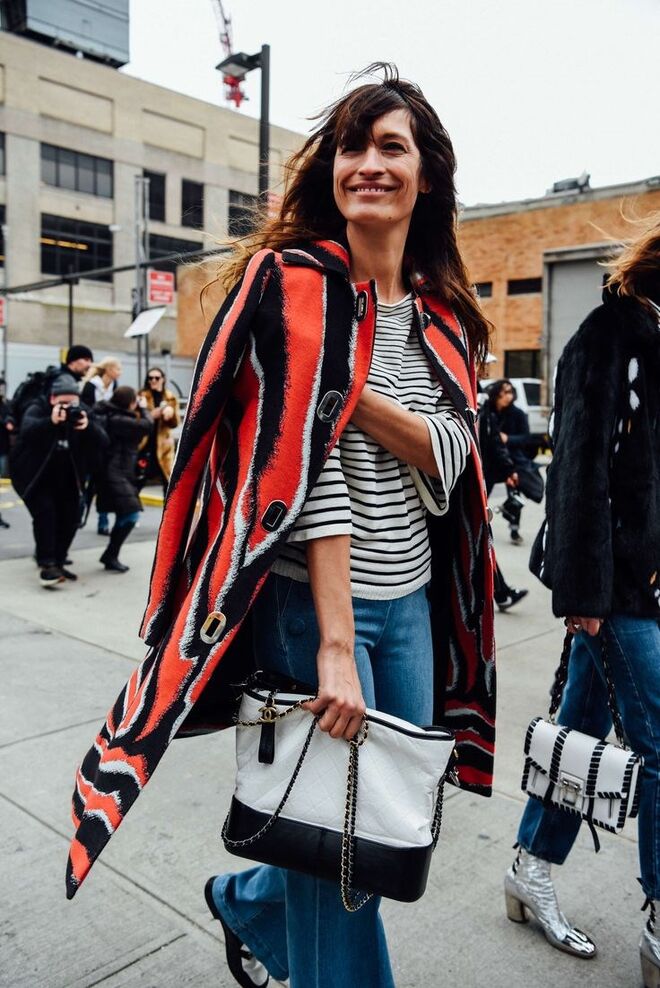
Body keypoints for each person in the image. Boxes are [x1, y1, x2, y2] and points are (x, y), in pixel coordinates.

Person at [67, 65, 496, 988]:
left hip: (413, 607)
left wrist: (345, 400)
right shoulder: (290, 288)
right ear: (331, 169)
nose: (369, 164)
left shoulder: (450, 322)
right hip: (314, 610)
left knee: (374, 834)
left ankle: (247, 900)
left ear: (427, 176)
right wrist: (335, 645)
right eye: (353, 146)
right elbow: (301, 475)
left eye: (392, 147)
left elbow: (455, 457)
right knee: (340, 872)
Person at [504, 214, 660, 986]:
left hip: (649, 583)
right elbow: (576, 472)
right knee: (659, 743)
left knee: (583, 730)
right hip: (616, 584)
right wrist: (584, 592)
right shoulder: (611, 334)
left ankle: (528, 868)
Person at [10, 374, 107, 586]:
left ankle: (59, 561)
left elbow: (103, 439)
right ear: (53, 399)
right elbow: (26, 431)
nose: (68, 407)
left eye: (72, 402)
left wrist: (87, 426)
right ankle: (47, 565)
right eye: (63, 403)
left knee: (70, 520)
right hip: (38, 478)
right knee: (46, 517)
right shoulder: (38, 408)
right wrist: (50, 422)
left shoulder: (82, 412)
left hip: (70, 479)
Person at [478, 385, 528, 611]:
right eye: (504, 392)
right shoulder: (482, 403)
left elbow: (498, 444)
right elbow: (494, 444)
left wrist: (507, 470)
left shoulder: (496, 410)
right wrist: (508, 469)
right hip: (471, 481)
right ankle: (501, 592)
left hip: (481, 480)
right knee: (479, 540)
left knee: (480, 539)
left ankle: (501, 592)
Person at [93, 386, 152, 573]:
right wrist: (144, 408)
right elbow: (147, 425)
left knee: (124, 512)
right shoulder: (119, 419)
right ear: (130, 402)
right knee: (131, 513)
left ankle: (111, 555)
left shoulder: (111, 414)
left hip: (118, 471)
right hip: (116, 472)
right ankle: (110, 554)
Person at [6, 344, 94, 433]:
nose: (89, 364)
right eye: (86, 360)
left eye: (91, 361)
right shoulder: (65, 381)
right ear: (72, 361)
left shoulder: (56, 376)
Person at [80, 357, 123, 534]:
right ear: (108, 370)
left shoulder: (114, 386)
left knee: (103, 484)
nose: (119, 372)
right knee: (87, 483)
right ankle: (79, 515)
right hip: (90, 440)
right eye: (117, 369)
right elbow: (87, 409)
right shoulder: (91, 386)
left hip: (108, 440)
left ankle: (102, 521)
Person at [137, 367, 179, 491]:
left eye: (157, 378)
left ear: (163, 379)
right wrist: (150, 416)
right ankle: (130, 510)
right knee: (138, 480)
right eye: (150, 378)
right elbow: (135, 420)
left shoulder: (170, 398)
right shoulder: (141, 396)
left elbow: (175, 423)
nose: (153, 380)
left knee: (168, 483)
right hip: (145, 444)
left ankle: (168, 511)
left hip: (163, 446)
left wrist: (169, 415)